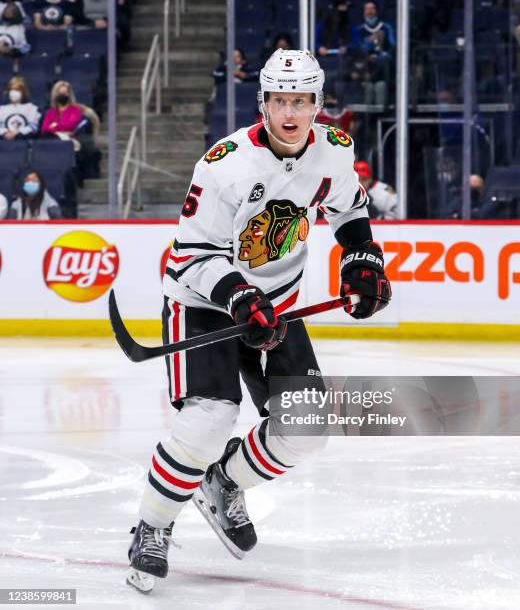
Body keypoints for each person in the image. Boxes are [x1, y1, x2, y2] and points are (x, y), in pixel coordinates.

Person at [126, 49, 391, 594]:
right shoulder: (223, 164)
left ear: (318, 105)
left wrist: (363, 260)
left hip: (279, 305)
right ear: (262, 103)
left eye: (300, 101)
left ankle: (222, 483)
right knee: (206, 422)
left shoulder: (335, 151)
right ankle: (152, 526)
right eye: (278, 100)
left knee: (307, 426)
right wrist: (241, 297)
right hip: (205, 302)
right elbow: (190, 256)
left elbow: (348, 210)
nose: (289, 112)